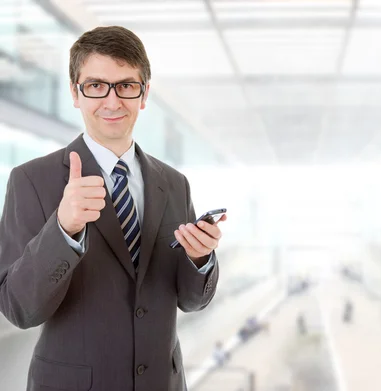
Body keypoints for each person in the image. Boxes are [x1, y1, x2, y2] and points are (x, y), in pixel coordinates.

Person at [0, 26, 226, 391]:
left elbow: (190, 300)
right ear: (75, 93)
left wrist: (200, 259)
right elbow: (19, 308)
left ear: (144, 94)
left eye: (126, 85)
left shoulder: (174, 184)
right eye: (95, 85)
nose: (112, 101)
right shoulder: (31, 180)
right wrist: (62, 229)